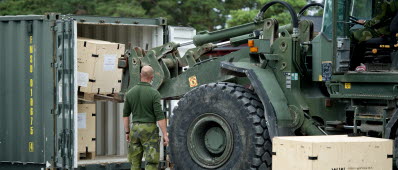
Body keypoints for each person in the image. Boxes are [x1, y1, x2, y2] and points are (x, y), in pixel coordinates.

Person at [123, 65, 169, 170]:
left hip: (134, 129)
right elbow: (160, 116)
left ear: (140, 75)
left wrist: (127, 132)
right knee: (151, 163)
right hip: (150, 130)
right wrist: (165, 134)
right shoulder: (154, 94)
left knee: (134, 163)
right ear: (152, 77)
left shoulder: (130, 93)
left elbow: (125, 115)